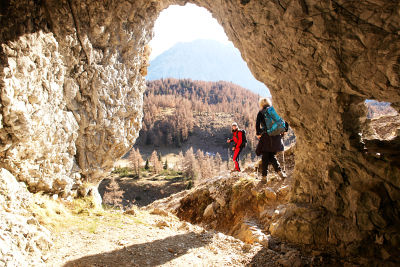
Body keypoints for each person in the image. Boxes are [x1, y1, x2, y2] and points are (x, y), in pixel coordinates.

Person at [255, 98, 287, 182]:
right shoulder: (274, 110)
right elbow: (282, 121)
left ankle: (264, 177)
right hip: (276, 136)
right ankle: (280, 171)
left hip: (266, 136)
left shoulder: (261, 113)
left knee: (265, 156)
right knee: (271, 155)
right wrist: (283, 131)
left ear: (261, 104)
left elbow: (257, 125)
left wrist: (258, 133)